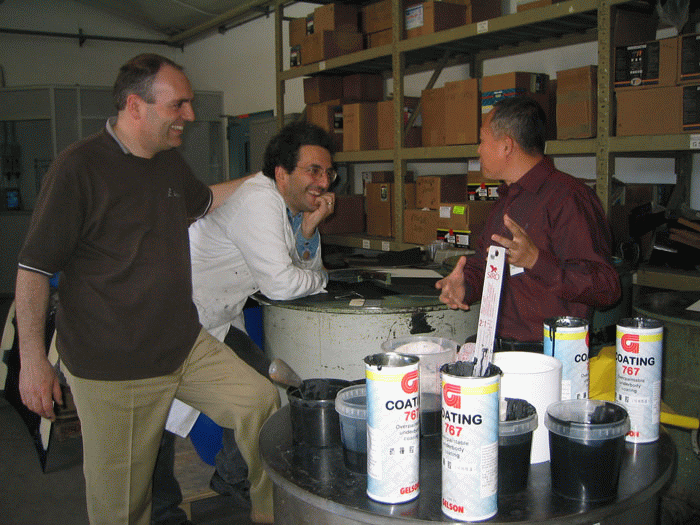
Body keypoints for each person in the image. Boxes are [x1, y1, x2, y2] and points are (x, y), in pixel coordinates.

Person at [15, 53, 279, 525]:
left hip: (182, 345)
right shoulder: (78, 169)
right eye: (178, 105)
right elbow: (33, 270)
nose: (190, 116)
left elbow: (205, 201)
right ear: (135, 106)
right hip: (115, 366)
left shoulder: (168, 162)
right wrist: (33, 360)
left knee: (261, 402)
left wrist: (265, 181)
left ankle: (267, 512)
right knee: (122, 506)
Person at [184, 120, 335, 501]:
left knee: (256, 390)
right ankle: (232, 480)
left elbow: (298, 269)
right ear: (282, 174)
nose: (323, 182)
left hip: (216, 316)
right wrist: (321, 279)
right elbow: (282, 285)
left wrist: (309, 229)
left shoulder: (287, 208)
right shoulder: (260, 200)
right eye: (313, 170)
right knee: (251, 391)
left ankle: (232, 476)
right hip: (183, 316)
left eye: (328, 173)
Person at [436, 96, 621, 351]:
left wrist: (536, 261)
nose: (478, 150)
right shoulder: (506, 199)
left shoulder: (568, 198)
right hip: (498, 349)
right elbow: (487, 264)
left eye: (482, 140)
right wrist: (464, 285)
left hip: (550, 355)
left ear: (506, 146)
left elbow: (606, 288)